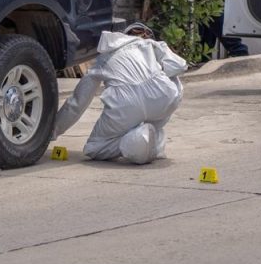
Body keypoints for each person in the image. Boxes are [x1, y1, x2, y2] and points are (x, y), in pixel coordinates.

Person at [54, 22, 187, 164]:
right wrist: (158, 71)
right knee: (172, 84)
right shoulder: (150, 45)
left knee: (94, 148)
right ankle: (152, 139)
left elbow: (77, 102)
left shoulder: (103, 59)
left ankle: (136, 142)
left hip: (124, 107)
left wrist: (52, 131)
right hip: (163, 99)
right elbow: (179, 66)